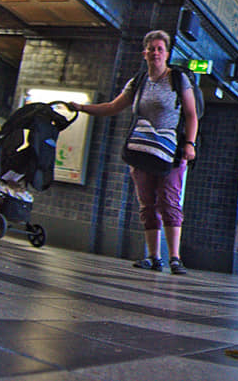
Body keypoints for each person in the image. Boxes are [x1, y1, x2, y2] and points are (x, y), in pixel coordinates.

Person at [70, 30, 198, 275]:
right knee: (146, 203)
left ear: (167, 54)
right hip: (141, 150)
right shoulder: (137, 82)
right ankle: (153, 256)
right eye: (151, 49)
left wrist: (190, 144)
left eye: (160, 49)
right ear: (144, 53)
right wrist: (82, 107)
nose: (155, 53)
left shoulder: (178, 79)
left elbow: (191, 114)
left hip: (171, 152)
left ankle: (174, 257)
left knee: (169, 201)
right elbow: (113, 106)